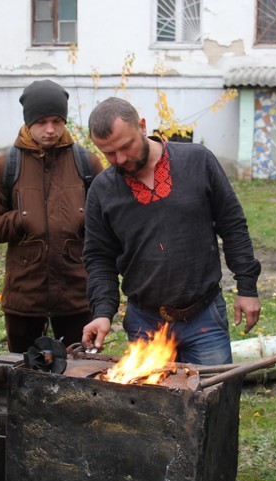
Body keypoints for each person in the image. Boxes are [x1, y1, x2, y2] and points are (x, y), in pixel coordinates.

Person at [81, 97, 261, 366]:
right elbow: (98, 258)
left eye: (125, 146)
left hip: (204, 317)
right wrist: (103, 312)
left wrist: (247, 287)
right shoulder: (101, 190)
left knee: (213, 400)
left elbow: (232, 225)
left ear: (142, 126)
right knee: (154, 406)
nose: (119, 159)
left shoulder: (197, 161)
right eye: (108, 153)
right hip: (145, 322)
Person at [0, 80, 102, 352]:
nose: (50, 129)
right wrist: (21, 218)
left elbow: (107, 225)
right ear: (28, 121)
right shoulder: (5, 167)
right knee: (24, 377)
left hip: (76, 296)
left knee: (80, 377)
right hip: (25, 298)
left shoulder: (87, 164)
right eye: (42, 121)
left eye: (57, 121)